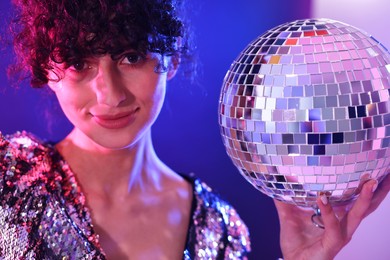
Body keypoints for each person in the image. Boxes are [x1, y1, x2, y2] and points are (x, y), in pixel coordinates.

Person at [0, 0, 389, 259]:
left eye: (131, 56)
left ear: (169, 60)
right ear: (46, 73)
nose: (111, 94)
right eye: (77, 63)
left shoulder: (216, 229)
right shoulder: (8, 179)